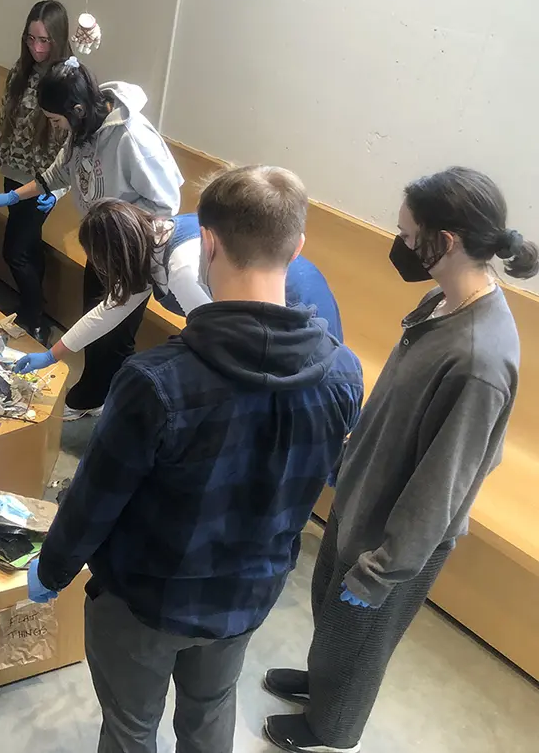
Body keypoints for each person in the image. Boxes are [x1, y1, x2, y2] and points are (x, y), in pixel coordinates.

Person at [27, 166, 364, 753]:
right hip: (247, 596)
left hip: (148, 599)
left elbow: (94, 501)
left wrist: (52, 569)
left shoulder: (155, 382)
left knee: (131, 729)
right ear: (298, 247)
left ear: (207, 241)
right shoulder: (344, 373)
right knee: (210, 715)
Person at [264, 167, 538, 753]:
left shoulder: (480, 357)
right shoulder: (442, 301)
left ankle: (331, 730)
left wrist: (385, 567)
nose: (403, 245)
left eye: (410, 234)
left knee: (360, 634)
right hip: (367, 493)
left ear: (451, 239)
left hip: (399, 530)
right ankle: (322, 684)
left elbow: (446, 481)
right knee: (333, 616)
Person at [0, 57, 183, 420]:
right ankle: (93, 391)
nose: (55, 128)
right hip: (101, 244)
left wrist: (123, 227)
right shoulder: (83, 130)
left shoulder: (131, 137)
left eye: (56, 120)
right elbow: (58, 172)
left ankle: (104, 400)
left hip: (129, 249)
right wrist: (11, 196)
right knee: (95, 316)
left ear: (78, 108)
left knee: (116, 331)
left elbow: (167, 202)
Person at [14, 200, 344, 375]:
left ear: (117, 255)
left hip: (295, 305)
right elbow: (109, 310)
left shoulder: (181, 267)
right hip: (260, 316)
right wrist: (52, 355)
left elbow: (221, 337)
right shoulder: (150, 239)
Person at [0, 0, 73, 344]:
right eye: (30, 39)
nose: (37, 47)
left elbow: (74, 145)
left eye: (44, 41)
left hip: (44, 181)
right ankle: (36, 310)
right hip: (14, 173)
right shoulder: (20, 71)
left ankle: (33, 318)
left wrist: (57, 191)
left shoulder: (67, 79)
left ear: (58, 40)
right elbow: (5, 122)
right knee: (26, 248)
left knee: (15, 250)